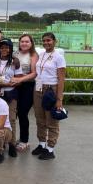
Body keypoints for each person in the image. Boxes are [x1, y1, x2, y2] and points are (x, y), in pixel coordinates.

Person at [32, 32, 66, 160]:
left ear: (54, 41)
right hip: (38, 88)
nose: (46, 43)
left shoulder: (59, 57)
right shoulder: (41, 54)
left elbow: (62, 79)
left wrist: (59, 99)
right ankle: (42, 144)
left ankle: (50, 149)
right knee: (40, 119)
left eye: (49, 40)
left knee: (51, 121)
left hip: (51, 89)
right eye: (44, 41)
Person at [0, 38, 22, 158]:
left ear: (10, 49)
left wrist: (6, 84)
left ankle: (12, 144)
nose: (4, 49)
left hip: (10, 94)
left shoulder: (15, 62)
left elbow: (18, 80)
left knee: (11, 119)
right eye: (2, 47)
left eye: (7, 47)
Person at [12, 34, 38, 152]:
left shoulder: (33, 55)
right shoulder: (15, 54)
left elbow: (34, 73)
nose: (24, 43)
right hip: (14, 87)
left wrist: (20, 79)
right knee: (13, 113)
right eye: (22, 41)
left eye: (27, 41)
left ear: (31, 43)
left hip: (27, 86)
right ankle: (11, 138)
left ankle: (24, 140)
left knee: (22, 113)